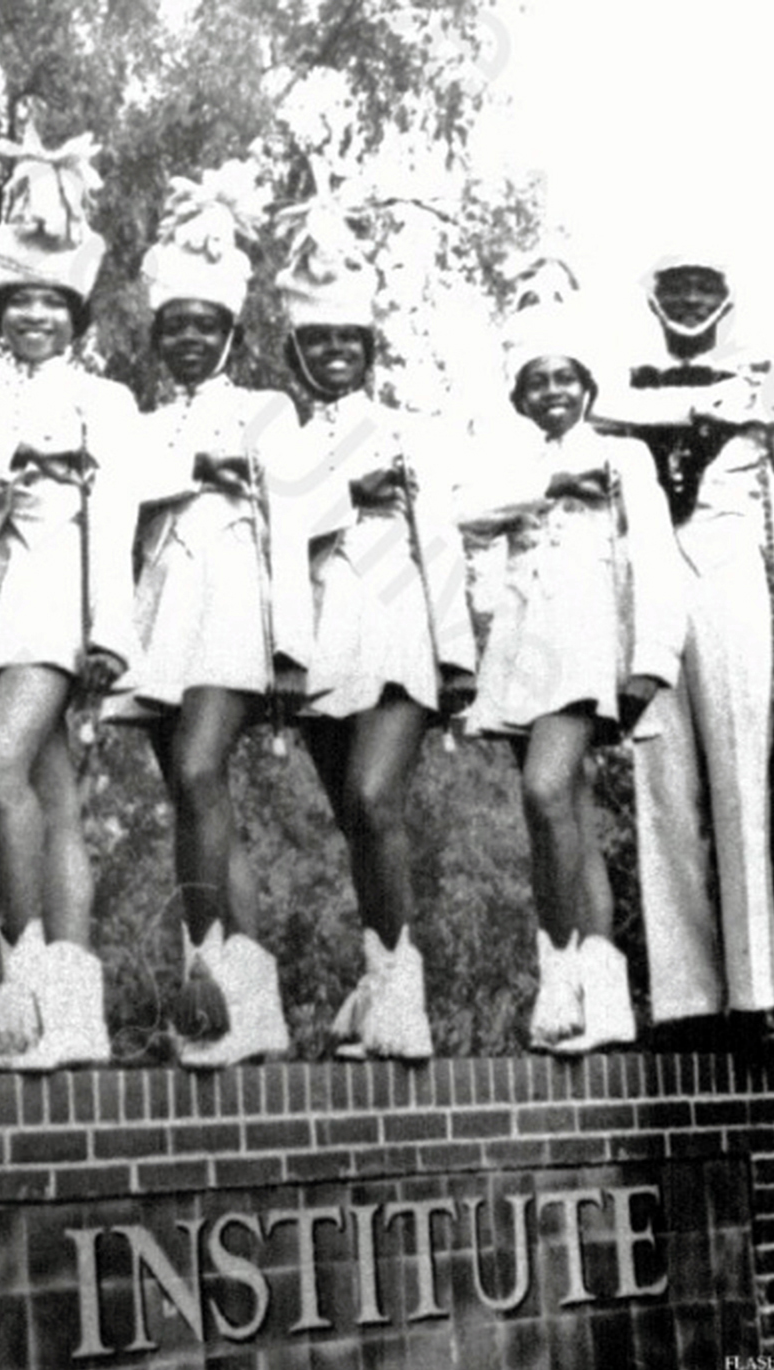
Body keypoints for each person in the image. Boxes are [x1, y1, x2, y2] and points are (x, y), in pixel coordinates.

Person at [594, 253, 774, 1054]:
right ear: (652, 295)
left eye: (703, 284)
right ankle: (684, 1002)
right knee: (660, 782)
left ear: (728, 292)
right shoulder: (618, 383)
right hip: (648, 588)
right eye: (674, 286)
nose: (690, 299)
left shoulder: (766, 379)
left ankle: (753, 996)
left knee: (742, 781)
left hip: (730, 581)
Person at [459, 276, 684, 1055]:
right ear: (520, 395)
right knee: (566, 820)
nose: (552, 392)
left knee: (544, 789)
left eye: (564, 378)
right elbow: (463, 515)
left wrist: (652, 659)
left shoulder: (622, 457)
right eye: (536, 381)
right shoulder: (512, 462)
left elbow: (656, 560)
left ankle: (560, 973)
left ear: (587, 385)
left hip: (590, 650)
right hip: (523, 650)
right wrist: (547, 483)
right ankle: (605, 996)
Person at [114, 176, 309, 1069]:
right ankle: (253, 1003)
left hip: (235, 604)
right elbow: (124, 497)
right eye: (174, 324)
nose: (189, 336)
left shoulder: (268, 410)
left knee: (198, 770)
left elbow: (296, 525)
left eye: (206, 322)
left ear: (231, 329)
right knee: (198, 799)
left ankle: (204, 975)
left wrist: (292, 650)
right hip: (161, 614)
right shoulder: (141, 422)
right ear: (158, 335)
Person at [0, 129, 140, 1072]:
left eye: (51, 303)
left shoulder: (102, 401)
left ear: (75, 314)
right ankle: (77, 1010)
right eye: (18, 302)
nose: (34, 317)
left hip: (59, 597)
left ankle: (25, 975)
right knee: (53, 792)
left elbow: (114, 519)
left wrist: (109, 629)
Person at [273, 209, 475, 1062]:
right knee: (351, 821)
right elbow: (281, 534)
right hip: (321, 640)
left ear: (367, 346)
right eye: (315, 342)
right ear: (296, 351)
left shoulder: (406, 428)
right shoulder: (279, 438)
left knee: (372, 798)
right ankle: (376, 972)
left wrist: (456, 655)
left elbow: (440, 541)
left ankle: (402, 991)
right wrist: (345, 491)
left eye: (345, 341)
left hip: (397, 629)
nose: (331, 355)